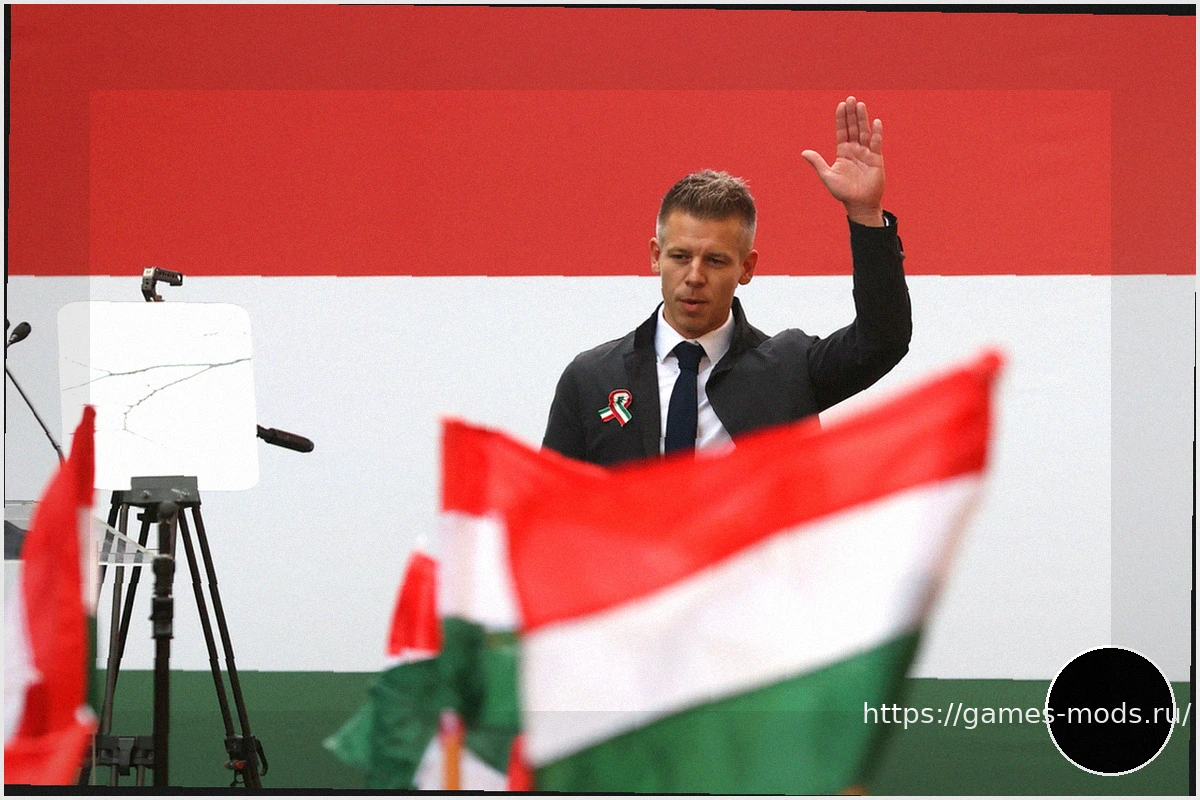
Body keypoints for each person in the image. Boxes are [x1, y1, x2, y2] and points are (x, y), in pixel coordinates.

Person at [542, 96, 911, 466]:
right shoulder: (590, 378)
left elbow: (883, 340)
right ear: (656, 256)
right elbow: (548, 495)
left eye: (715, 261)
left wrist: (865, 214)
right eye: (680, 257)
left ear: (746, 268)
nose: (694, 277)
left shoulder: (787, 370)